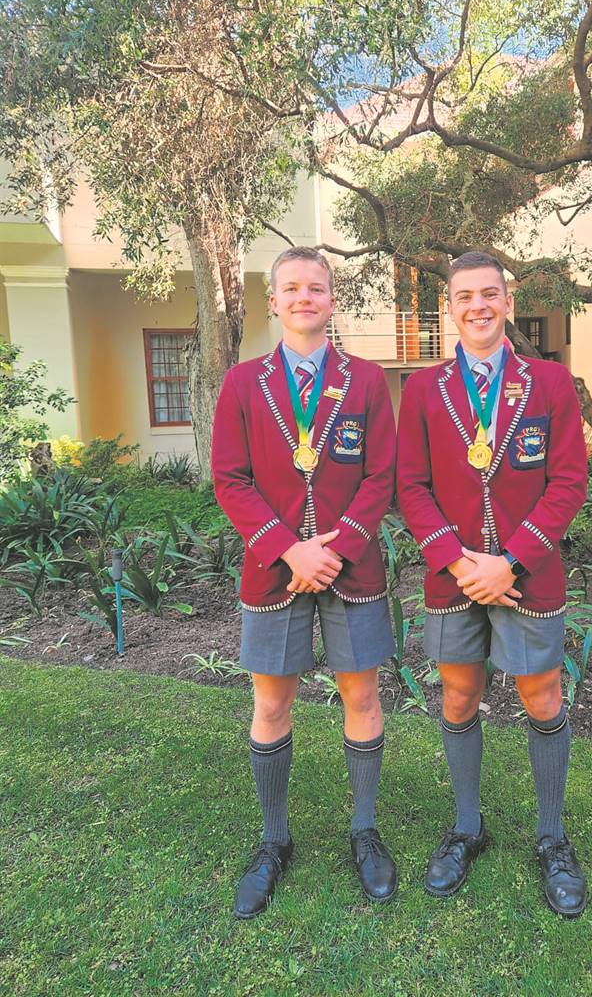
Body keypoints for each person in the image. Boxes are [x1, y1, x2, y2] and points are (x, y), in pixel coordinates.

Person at [397, 251, 589, 917]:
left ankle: (552, 837)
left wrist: (510, 561)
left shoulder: (551, 383)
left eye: (489, 294)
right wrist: (459, 563)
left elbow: (568, 482)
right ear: (449, 308)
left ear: (508, 302)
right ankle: (467, 826)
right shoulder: (423, 390)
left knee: (541, 695)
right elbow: (411, 487)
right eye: (464, 296)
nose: (477, 306)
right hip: (452, 576)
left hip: (527, 573)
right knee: (458, 695)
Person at [212, 246, 398, 919]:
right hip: (273, 569)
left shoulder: (366, 381)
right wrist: (290, 549)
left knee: (362, 695)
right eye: (291, 288)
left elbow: (381, 477)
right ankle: (274, 840)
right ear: (274, 301)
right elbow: (230, 480)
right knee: (271, 705)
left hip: (354, 569)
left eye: (315, 288)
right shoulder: (243, 384)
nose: (303, 298)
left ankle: (364, 830)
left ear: (331, 299)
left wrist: (335, 548)